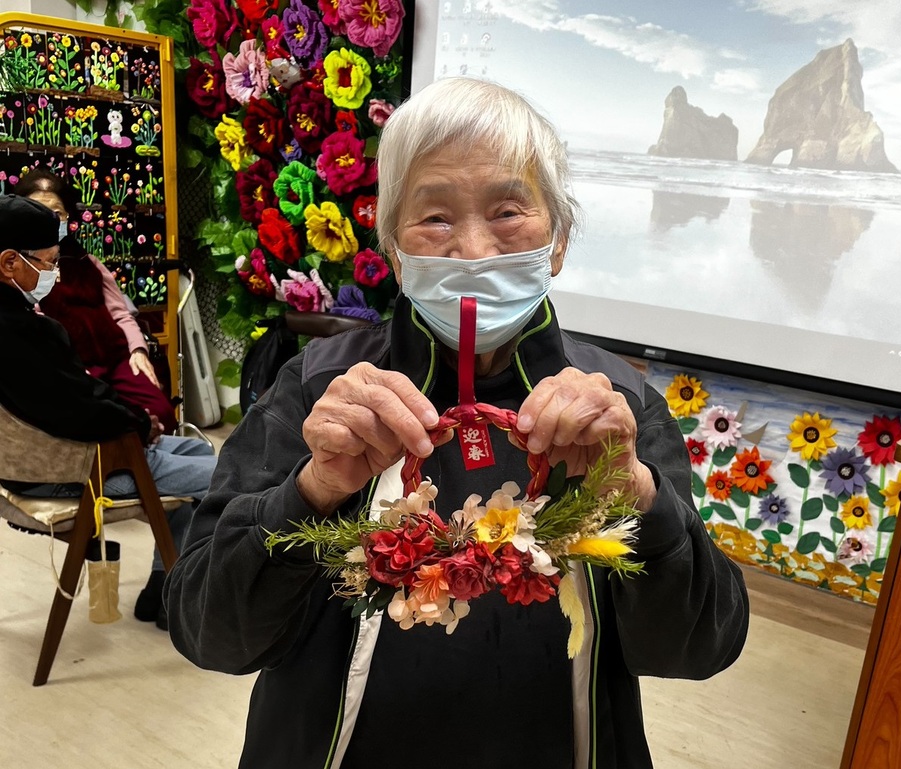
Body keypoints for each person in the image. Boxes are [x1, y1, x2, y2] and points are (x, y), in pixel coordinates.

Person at [165, 78, 749, 767]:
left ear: (558, 241)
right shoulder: (319, 390)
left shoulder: (616, 407)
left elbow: (697, 649)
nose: (472, 250)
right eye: (435, 218)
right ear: (394, 250)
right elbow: (209, 632)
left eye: (508, 210)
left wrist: (637, 496)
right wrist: (312, 489)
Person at [0, 194, 216, 630]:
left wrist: (133, 416)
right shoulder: (21, 331)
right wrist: (137, 421)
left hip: (44, 459)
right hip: (77, 466)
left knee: (195, 451)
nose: (56, 273)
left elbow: (77, 393)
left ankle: (163, 584)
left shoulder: (21, 321)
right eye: (49, 262)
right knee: (228, 474)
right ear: (9, 263)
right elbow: (77, 410)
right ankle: (182, 593)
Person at [15, 169, 178, 434]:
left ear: (68, 217)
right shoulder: (22, 269)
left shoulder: (87, 262)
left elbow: (121, 313)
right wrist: (69, 370)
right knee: (117, 423)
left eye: (57, 213)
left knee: (161, 412)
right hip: (74, 369)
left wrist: (138, 351)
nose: (49, 220)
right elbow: (38, 331)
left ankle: (156, 458)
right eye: (38, 211)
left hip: (116, 359)